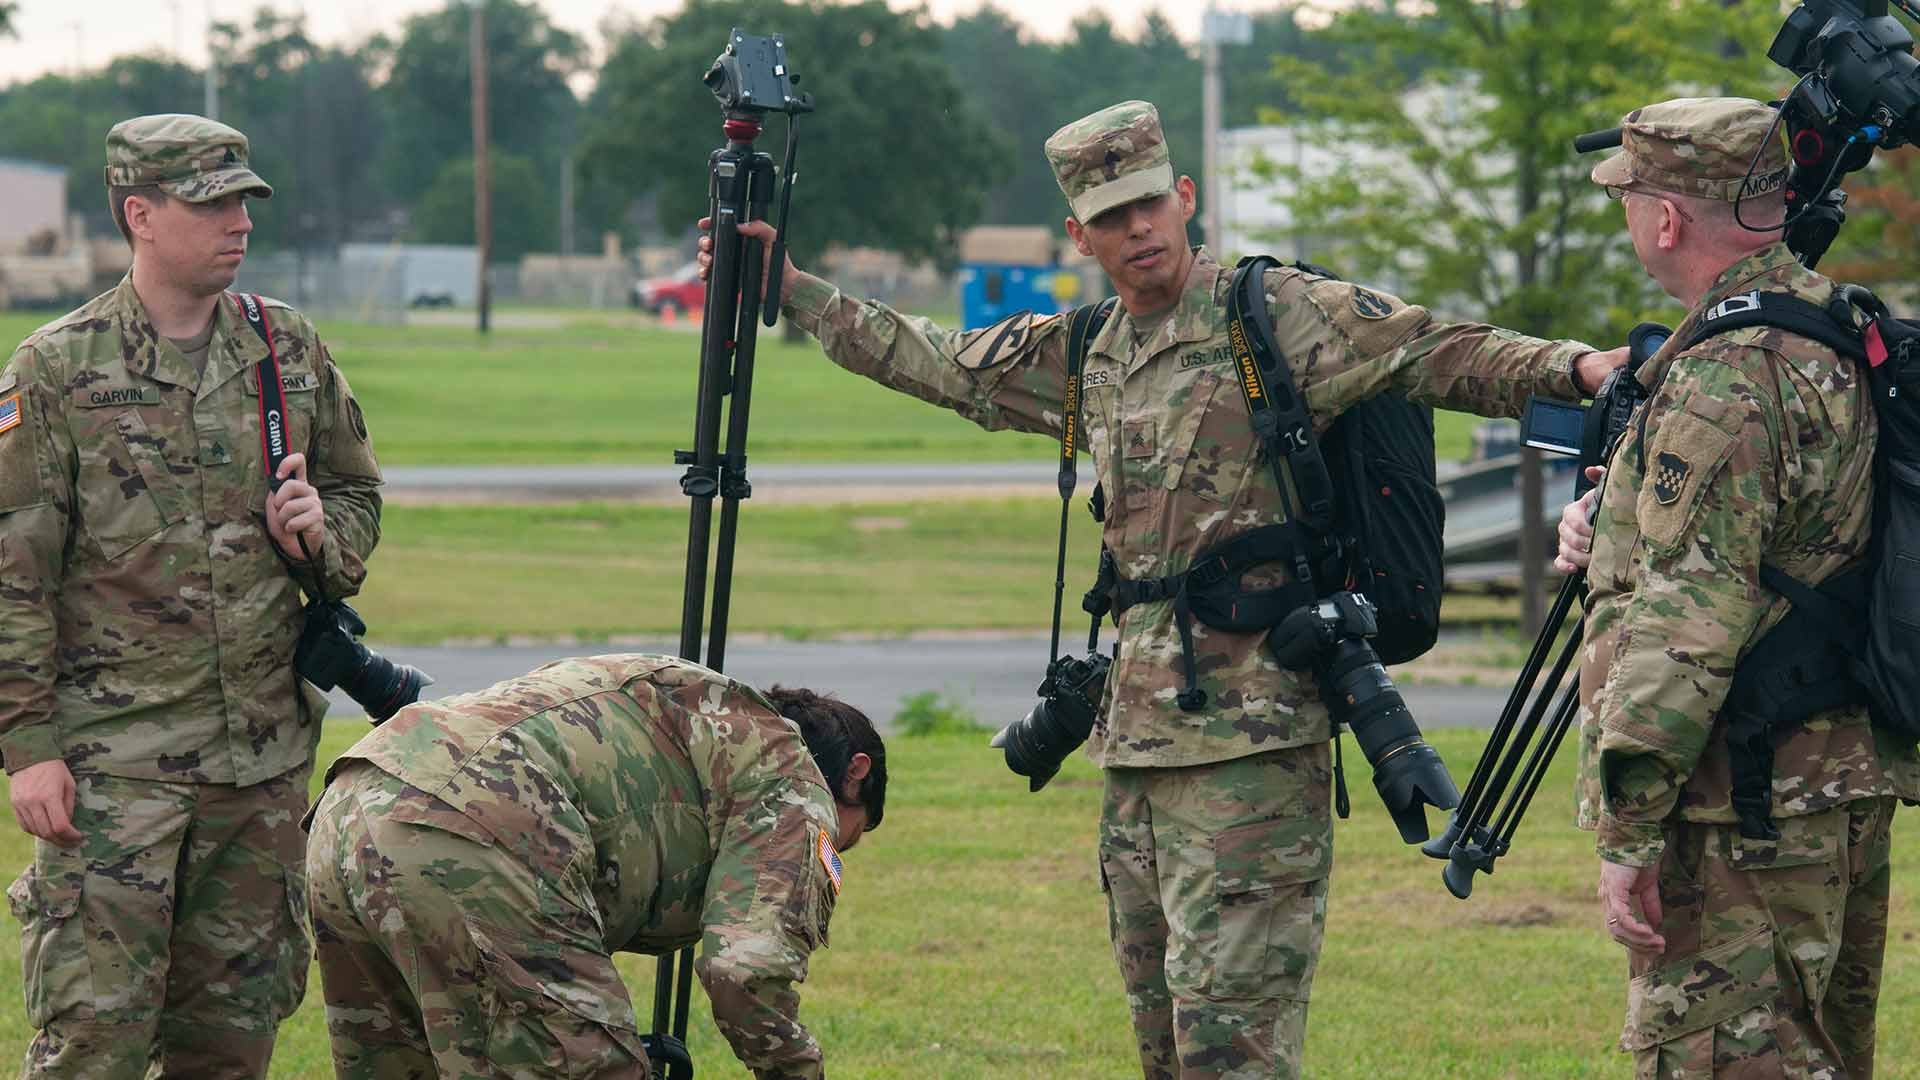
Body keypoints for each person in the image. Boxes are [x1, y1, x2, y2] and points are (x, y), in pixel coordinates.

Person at [704, 100, 1626, 1078]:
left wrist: (1578, 368)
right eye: (1111, 216)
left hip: (1254, 754)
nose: (1138, 228)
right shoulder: (1089, 350)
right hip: (1134, 754)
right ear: (1081, 236)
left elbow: (1435, 349)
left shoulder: (1272, 317)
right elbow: (939, 363)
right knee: (1164, 1047)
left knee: (1234, 1052)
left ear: (1185, 198)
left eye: (1150, 203)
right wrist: (793, 291)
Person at [0, 114, 384, 1076]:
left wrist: (317, 531)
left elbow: (357, 493)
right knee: (95, 1043)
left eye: (245, 202)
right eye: (211, 203)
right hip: (112, 773)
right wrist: (28, 750)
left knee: (232, 1047)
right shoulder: (56, 368)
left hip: (257, 771)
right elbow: (14, 574)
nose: (239, 223)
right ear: (140, 213)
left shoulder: (284, 347)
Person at [1553, 97, 1919, 1077]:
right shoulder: (1839, 331)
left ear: (1665, 218)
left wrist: (1628, 826)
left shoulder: (1725, 374)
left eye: (1629, 198)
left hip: (1740, 807)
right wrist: (1615, 519)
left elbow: (1690, 619)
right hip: (1840, 785)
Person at [303, 653, 885, 1079]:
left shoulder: (688, 707)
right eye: (846, 837)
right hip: (474, 826)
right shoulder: (793, 779)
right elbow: (744, 972)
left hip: (351, 803)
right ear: (854, 774)